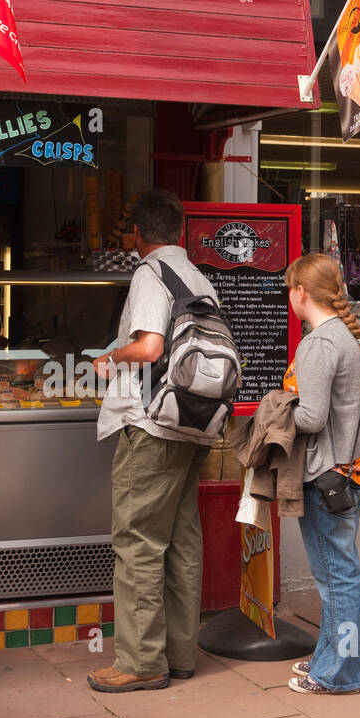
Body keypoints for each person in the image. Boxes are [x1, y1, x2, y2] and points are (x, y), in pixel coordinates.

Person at [87, 188, 217, 692]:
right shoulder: (199, 278)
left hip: (151, 424)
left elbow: (150, 346)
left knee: (138, 540)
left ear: (137, 235)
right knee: (181, 540)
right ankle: (180, 654)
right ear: (180, 231)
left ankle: (141, 662)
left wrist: (109, 358)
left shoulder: (151, 273)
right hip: (193, 424)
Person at [281, 254, 360, 694]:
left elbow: (311, 418)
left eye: (289, 289)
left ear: (301, 293)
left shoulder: (319, 343)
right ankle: (329, 659)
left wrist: (277, 406)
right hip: (357, 470)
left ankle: (340, 674)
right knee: (337, 572)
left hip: (326, 475)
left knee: (334, 575)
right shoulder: (358, 336)